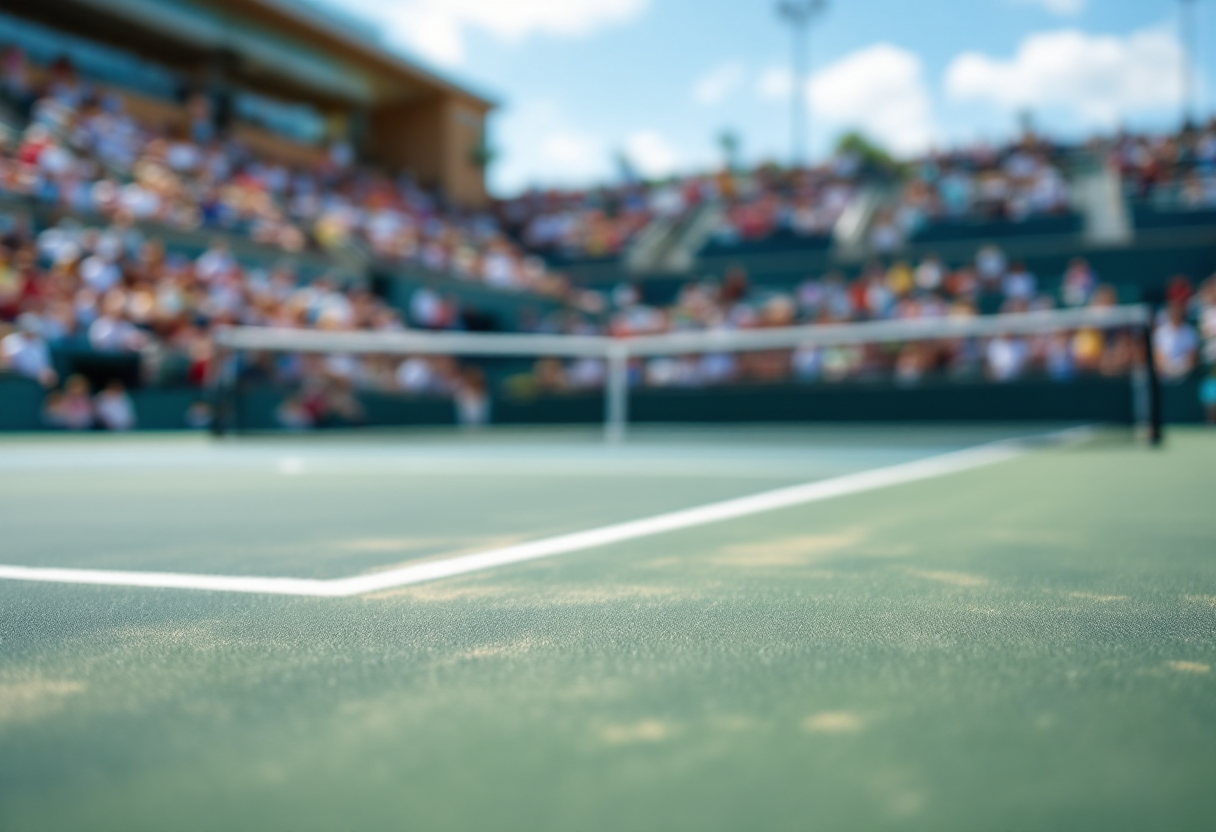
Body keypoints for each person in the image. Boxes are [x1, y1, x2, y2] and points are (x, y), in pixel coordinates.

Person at [0, 315, 57, 387]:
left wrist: (46, 374)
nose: (30, 333)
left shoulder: (39, 343)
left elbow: (45, 366)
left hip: (34, 381)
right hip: (14, 379)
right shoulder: (10, 341)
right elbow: (6, 363)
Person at [1153, 304, 1200, 381]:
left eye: (1177, 313)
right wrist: (1169, 368)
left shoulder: (1190, 331)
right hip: (1165, 376)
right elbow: (1158, 356)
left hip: (1187, 376)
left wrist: (1182, 368)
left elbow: (1193, 356)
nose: (1176, 315)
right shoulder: (1160, 332)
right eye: (1173, 313)